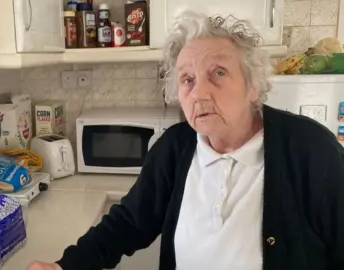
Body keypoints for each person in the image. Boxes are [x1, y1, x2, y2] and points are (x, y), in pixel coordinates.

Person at [27, 11, 344, 270]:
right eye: (187, 80)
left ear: (253, 85)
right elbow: (127, 224)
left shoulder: (312, 151)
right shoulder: (174, 149)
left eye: (218, 73)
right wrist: (66, 266)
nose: (199, 93)